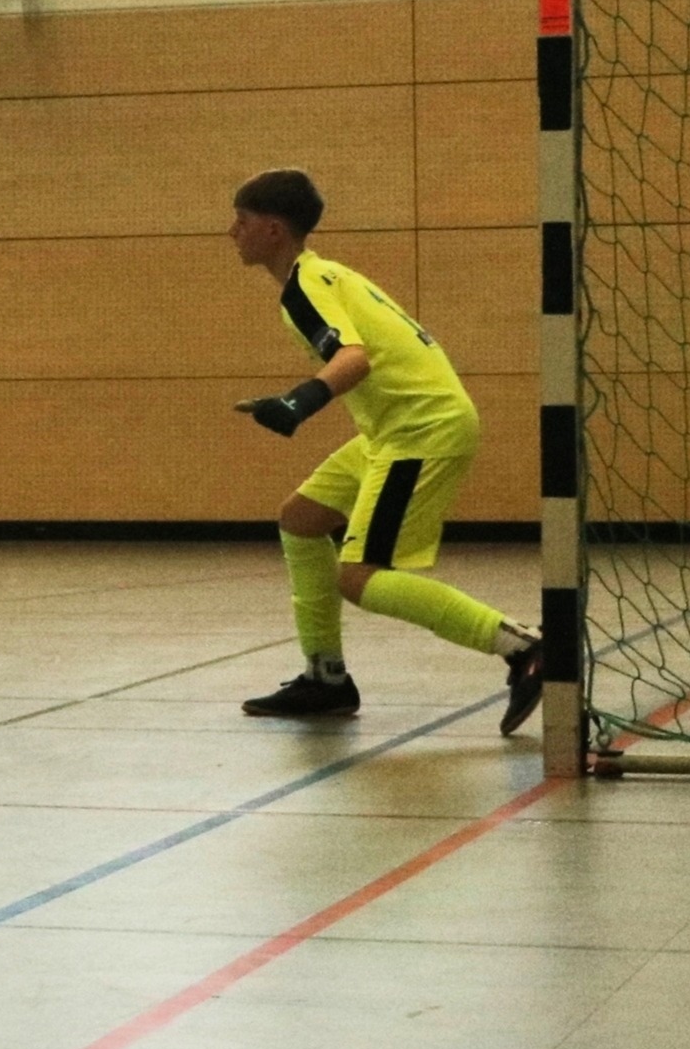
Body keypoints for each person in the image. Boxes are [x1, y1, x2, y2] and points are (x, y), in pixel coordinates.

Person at [226, 167, 546, 731]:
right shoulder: (320, 276)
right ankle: (325, 679)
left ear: (273, 230)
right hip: (391, 430)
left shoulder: (304, 287)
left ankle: (524, 646)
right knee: (302, 519)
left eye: (243, 221)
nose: (233, 232)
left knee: (358, 577)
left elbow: (353, 360)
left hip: (423, 427)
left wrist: (296, 405)